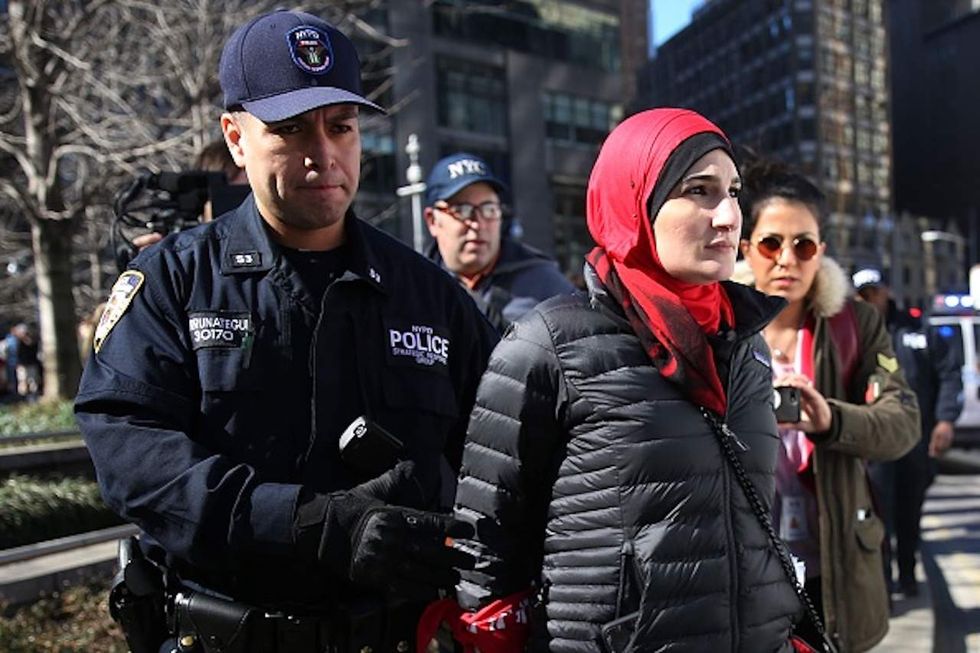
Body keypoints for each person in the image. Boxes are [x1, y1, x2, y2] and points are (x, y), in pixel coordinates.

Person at [75, 9, 497, 653]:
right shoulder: (173, 281)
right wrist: (305, 523)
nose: (322, 156)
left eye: (341, 128)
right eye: (290, 130)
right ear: (235, 138)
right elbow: (133, 457)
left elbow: (505, 457)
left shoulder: (431, 296)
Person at [450, 108, 802, 651]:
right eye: (699, 190)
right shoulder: (549, 343)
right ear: (633, 200)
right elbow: (485, 542)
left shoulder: (745, 340)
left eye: (732, 191)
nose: (729, 215)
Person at [735, 160, 919, 651]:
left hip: (834, 565)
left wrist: (831, 419)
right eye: (772, 243)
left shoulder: (854, 323)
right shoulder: (718, 326)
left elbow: (902, 421)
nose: (787, 260)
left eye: (805, 244)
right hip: (742, 568)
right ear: (746, 247)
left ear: (822, 252)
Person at [854, 267, 962, 598]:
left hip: (916, 440)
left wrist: (945, 421)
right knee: (878, 513)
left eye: (875, 292)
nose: (871, 299)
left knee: (909, 511)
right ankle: (883, 583)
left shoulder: (917, 331)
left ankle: (908, 572)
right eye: (864, 294)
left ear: (887, 291)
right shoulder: (852, 334)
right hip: (875, 444)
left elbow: (948, 374)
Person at [424, 152, 575, 332]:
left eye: (489, 209)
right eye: (462, 210)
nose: (477, 223)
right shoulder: (415, 286)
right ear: (432, 220)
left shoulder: (547, 286)